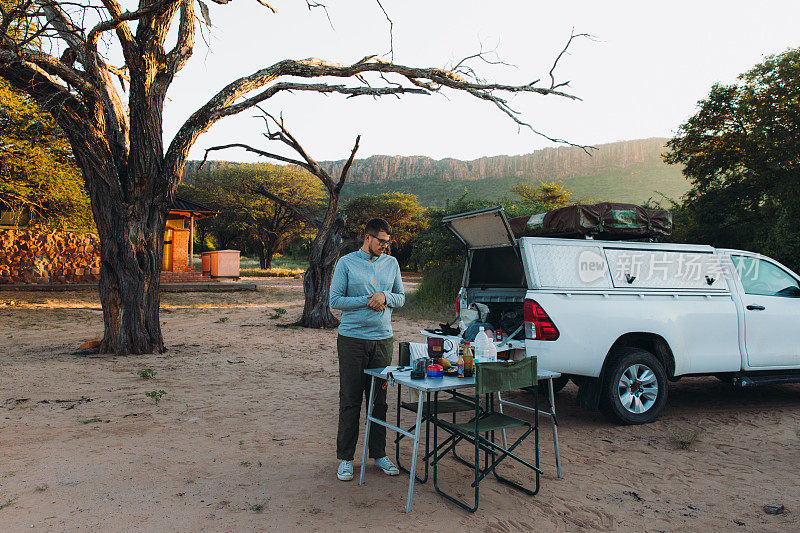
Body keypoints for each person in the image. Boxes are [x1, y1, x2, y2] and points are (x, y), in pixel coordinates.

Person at [329, 217, 405, 481]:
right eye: (381, 241)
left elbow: (401, 297)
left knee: (379, 401)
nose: (385, 246)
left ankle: (379, 454)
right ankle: (346, 459)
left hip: (383, 340)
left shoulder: (392, 263)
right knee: (350, 399)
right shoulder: (346, 262)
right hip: (352, 340)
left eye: (387, 242)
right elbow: (335, 300)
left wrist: (385, 297)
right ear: (367, 237)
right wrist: (367, 300)